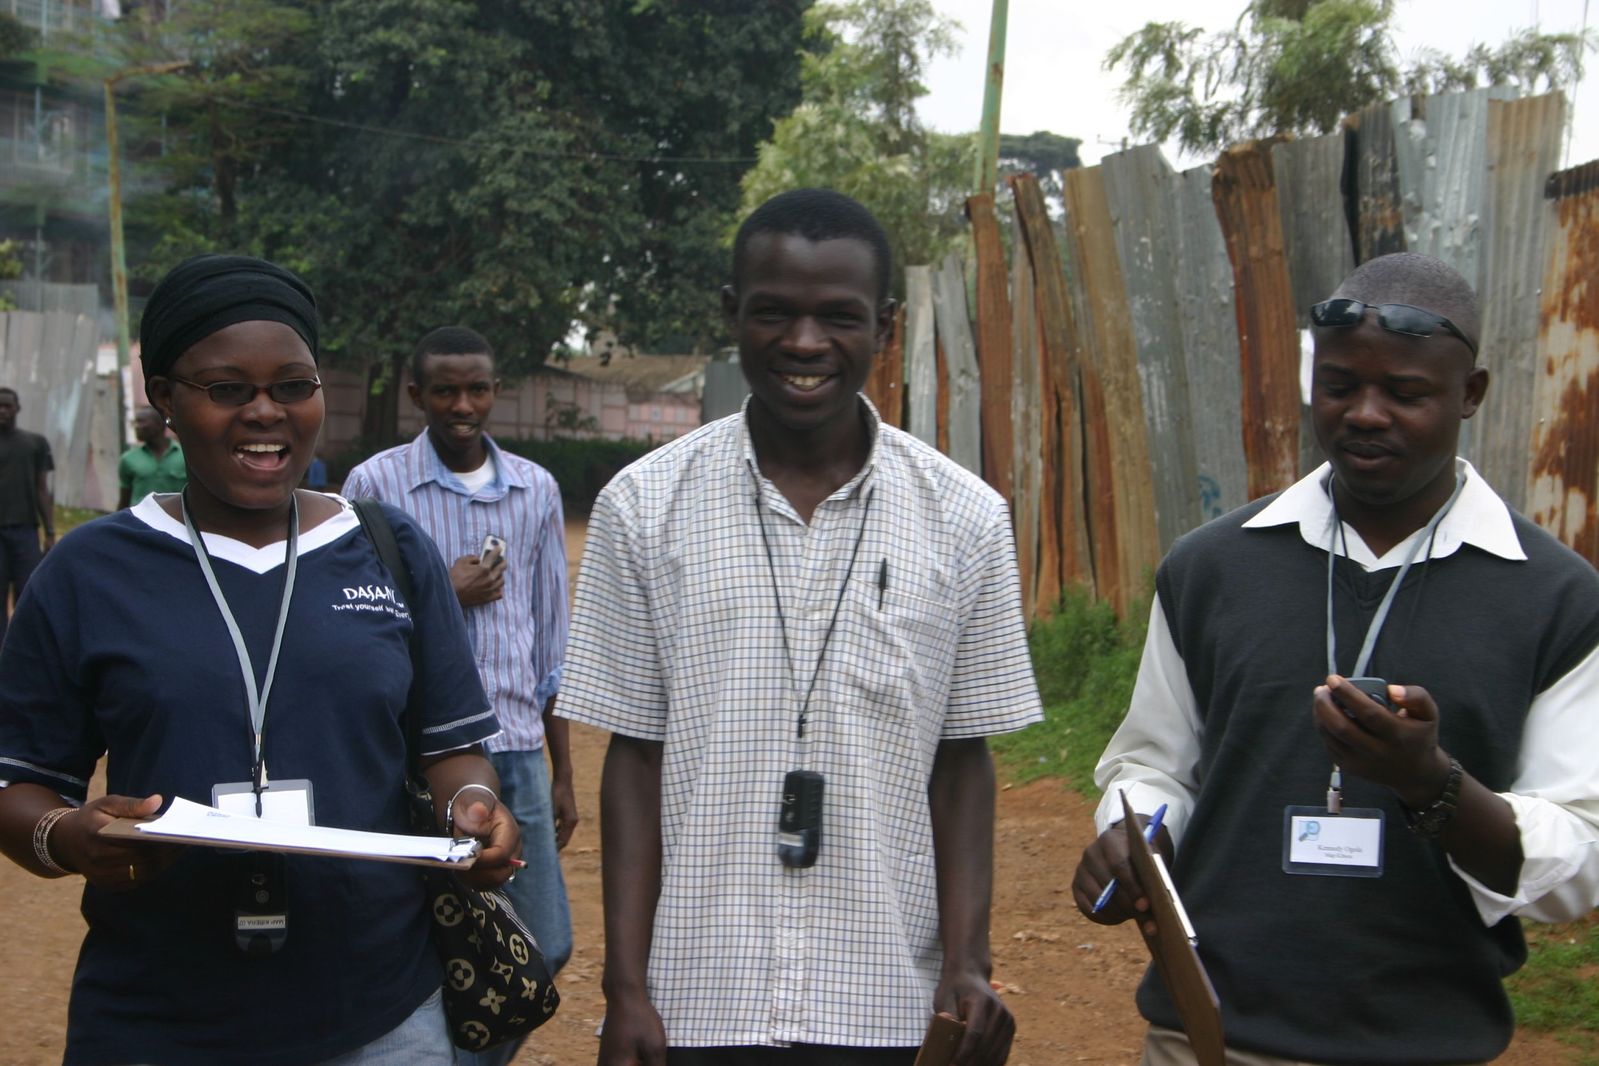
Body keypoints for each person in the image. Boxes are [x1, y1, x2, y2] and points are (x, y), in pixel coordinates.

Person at [1073, 252, 1599, 1066]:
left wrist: (1432, 785)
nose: (1364, 413)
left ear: (1470, 393)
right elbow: (1153, 765)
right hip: (1208, 1040)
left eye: (1405, 393)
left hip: (1424, 1045)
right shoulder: (1210, 568)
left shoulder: (1556, 599)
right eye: (1340, 384)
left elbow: (1574, 857)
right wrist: (1133, 838)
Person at [559, 188, 1042, 1066]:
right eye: (774, 313)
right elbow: (635, 754)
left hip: (887, 1000)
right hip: (700, 997)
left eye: (839, 318)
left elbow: (962, 757)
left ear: (885, 326)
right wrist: (626, 988)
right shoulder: (643, 508)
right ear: (731, 315)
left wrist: (967, 964)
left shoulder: (965, 519)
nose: (806, 344)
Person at [0, 254, 522, 1065]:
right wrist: (66, 837)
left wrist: (477, 810)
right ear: (165, 398)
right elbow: (19, 780)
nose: (265, 414)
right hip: (156, 1016)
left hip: (378, 1013)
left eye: (292, 386)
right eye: (227, 390)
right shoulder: (90, 571)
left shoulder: (387, 552)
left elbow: (451, 750)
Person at [343, 325, 574, 1066]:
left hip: (515, 748)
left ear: (495, 391)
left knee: (549, 939)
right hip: (419, 758)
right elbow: (344, 618)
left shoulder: (535, 488)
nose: (461, 404)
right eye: (444, 390)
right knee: (434, 933)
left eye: (476, 388)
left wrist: (562, 769)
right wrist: (442, 589)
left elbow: (550, 642)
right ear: (417, 395)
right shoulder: (374, 488)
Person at [0, 385, 54, 645]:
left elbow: (42, 489)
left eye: (7, 405)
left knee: (27, 593)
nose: (2, 410)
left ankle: (21, 651)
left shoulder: (34, 443)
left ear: (17, 408)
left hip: (24, 530)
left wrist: (50, 531)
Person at [117, 403, 188, 509]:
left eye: (141, 422)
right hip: (139, 523)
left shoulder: (185, 456)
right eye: (135, 422)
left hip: (176, 520)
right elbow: (124, 501)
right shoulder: (128, 459)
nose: (136, 426)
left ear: (159, 424)